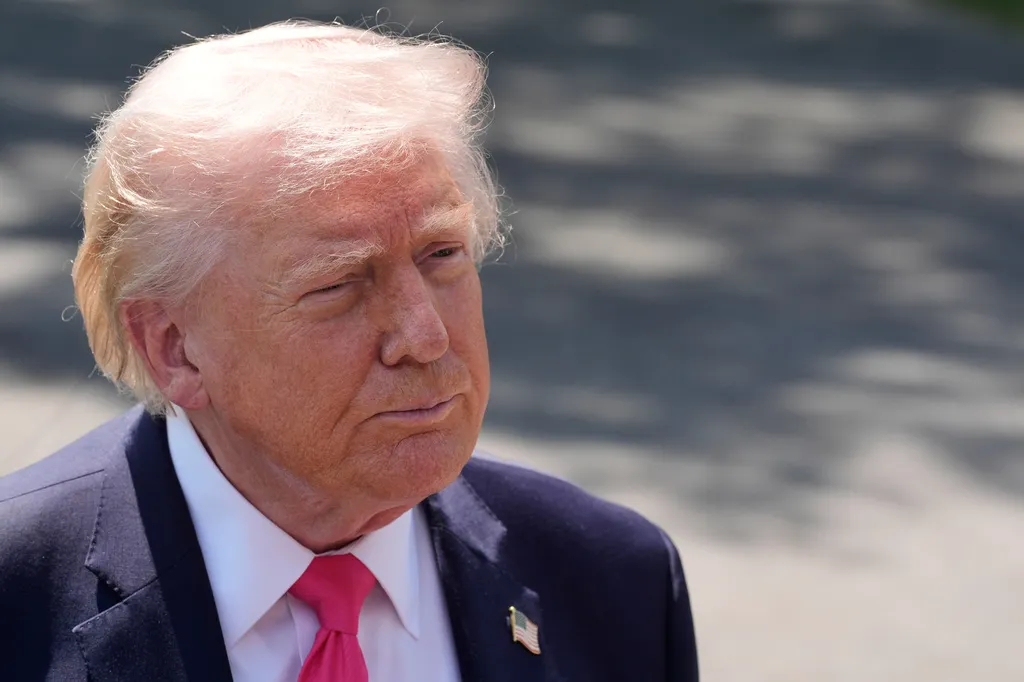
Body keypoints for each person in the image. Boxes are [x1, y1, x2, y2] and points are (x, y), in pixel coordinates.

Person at [0, 21, 698, 682]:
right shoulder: (18, 600)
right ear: (175, 347)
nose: (426, 336)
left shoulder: (613, 581)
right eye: (338, 284)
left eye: (441, 253)